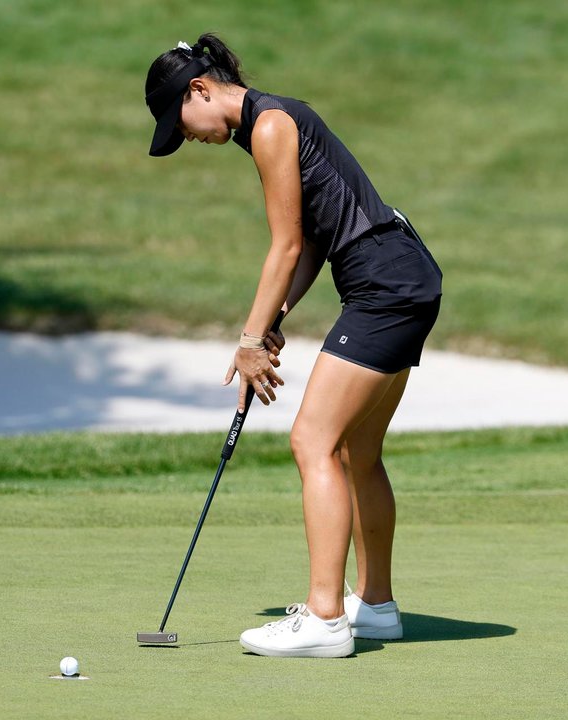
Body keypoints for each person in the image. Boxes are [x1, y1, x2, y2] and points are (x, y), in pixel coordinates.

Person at [145, 34, 443, 658]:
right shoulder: (278, 116)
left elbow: (282, 246)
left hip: (384, 286)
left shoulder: (271, 126)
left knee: (312, 441)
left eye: (181, 123)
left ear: (199, 90)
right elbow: (308, 244)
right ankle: (377, 607)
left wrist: (250, 341)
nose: (189, 138)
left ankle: (326, 620)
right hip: (402, 276)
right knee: (358, 450)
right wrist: (277, 315)